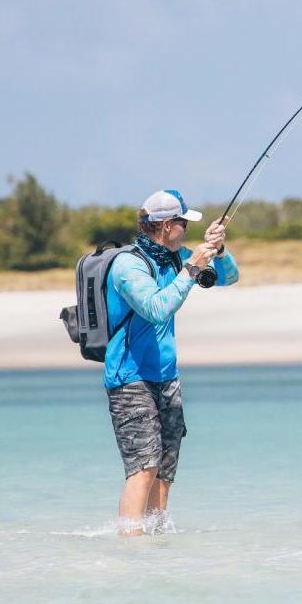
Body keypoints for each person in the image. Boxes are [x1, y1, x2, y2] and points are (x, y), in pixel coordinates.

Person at [104, 189, 239, 534]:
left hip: (167, 377)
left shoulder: (175, 258)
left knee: (164, 468)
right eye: (182, 222)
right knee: (143, 466)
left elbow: (228, 277)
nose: (186, 229)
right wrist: (192, 268)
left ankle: (157, 540)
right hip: (129, 378)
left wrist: (218, 251)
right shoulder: (129, 265)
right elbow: (155, 308)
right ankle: (131, 539)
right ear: (165, 226)